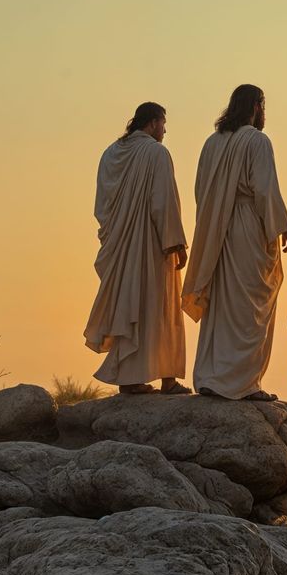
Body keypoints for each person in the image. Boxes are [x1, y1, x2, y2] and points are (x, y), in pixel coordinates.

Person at [182, 84, 287, 400]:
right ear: (256, 107)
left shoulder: (212, 143)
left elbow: (201, 190)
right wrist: (281, 227)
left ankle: (211, 376)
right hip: (247, 227)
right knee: (249, 306)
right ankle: (243, 383)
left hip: (218, 230)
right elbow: (265, 190)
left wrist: (214, 221)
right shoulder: (257, 141)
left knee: (221, 303)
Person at [83, 102, 190, 395]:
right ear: (153, 123)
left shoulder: (110, 154)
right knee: (160, 307)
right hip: (150, 243)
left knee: (130, 306)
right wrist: (175, 242)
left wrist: (116, 232)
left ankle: (131, 379)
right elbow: (163, 201)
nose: (165, 131)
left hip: (120, 242)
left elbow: (102, 204)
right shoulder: (157, 153)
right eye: (163, 124)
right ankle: (168, 378)